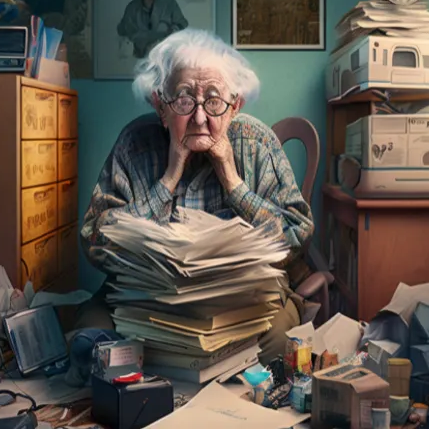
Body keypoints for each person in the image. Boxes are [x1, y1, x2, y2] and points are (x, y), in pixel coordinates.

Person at [79, 28, 315, 364]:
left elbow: (298, 236)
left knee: (278, 353)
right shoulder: (135, 143)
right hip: (148, 302)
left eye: (214, 100)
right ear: (161, 106)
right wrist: (168, 180)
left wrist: (234, 183)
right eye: (185, 100)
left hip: (245, 304)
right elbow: (94, 241)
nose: (200, 118)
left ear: (235, 107)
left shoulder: (257, 142)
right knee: (91, 342)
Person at [117, 0, 189, 59]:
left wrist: (172, 31)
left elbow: (182, 23)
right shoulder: (132, 7)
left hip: (166, 54)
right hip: (140, 55)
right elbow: (122, 29)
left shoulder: (169, 3)